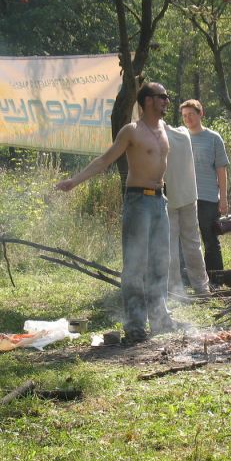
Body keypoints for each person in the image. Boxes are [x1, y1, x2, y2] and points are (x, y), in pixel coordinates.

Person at [55, 82, 177, 343]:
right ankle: (135, 324)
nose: (167, 101)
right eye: (162, 97)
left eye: (167, 97)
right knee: (135, 264)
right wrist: (74, 181)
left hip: (159, 201)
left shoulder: (164, 129)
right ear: (146, 101)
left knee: (160, 262)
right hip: (138, 202)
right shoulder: (131, 131)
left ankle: (160, 318)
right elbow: (104, 160)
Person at [180, 99, 230, 284]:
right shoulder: (180, 136)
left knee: (209, 239)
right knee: (184, 240)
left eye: (191, 114)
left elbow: (221, 170)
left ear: (201, 113)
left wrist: (223, 198)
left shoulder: (213, 138)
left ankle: (216, 278)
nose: (188, 118)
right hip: (184, 196)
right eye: (184, 116)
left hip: (207, 197)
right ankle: (188, 280)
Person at [163, 122, 211, 297]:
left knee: (170, 245)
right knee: (193, 243)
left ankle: (174, 288)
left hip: (171, 198)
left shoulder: (161, 136)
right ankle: (201, 286)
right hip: (189, 196)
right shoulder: (183, 134)